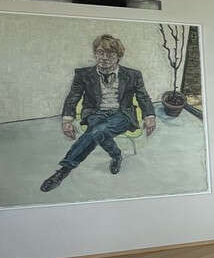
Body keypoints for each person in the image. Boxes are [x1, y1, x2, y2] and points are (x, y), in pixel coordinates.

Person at [40, 34, 157, 192]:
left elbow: (143, 97)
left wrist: (149, 116)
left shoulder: (133, 75)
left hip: (122, 115)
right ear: (95, 54)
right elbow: (73, 97)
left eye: (110, 54)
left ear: (119, 56)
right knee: (98, 132)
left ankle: (63, 171)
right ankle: (116, 155)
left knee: (97, 131)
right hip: (95, 113)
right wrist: (67, 120)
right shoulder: (83, 74)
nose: (104, 58)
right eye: (100, 52)